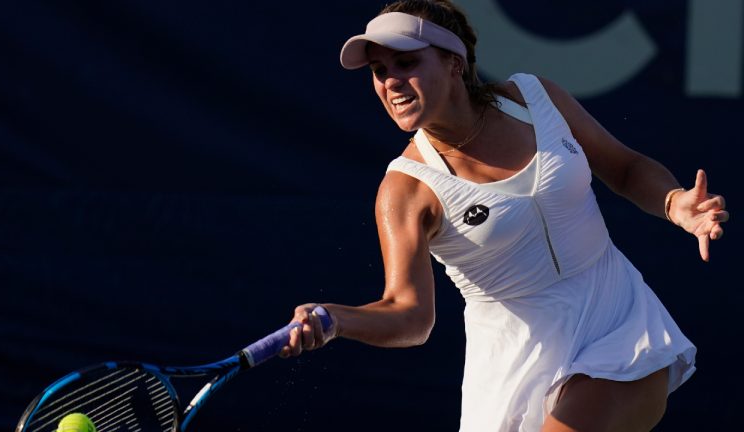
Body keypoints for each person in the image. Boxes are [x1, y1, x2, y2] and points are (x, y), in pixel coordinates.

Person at [280, 1, 729, 431]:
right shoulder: (406, 188)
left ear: (453, 62)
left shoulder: (537, 98)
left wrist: (674, 202)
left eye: (406, 63)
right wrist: (337, 319)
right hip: (510, 368)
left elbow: (626, 168)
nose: (391, 82)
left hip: (618, 326)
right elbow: (409, 315)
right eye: (379, 71)